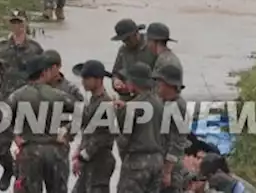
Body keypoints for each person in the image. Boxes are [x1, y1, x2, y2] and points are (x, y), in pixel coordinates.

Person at [0, 10, 44, 190]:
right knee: (1, 145)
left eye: (20, 22)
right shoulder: (2, 47)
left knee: (25, 146)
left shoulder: (35, 49)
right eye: (14, 22)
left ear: (25, 24)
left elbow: (44, 75)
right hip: (4, 103)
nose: (17, 26)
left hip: (28, 104)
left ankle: (19, 177)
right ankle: (8, 169)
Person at [8, 55, 76, 193]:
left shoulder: (17, 96)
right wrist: (67, 132)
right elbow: (82, 113)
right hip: (55, 151)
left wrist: (15, 136)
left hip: (30, 151)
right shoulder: (58, 95)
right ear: (44, 73)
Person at [116, 63, 165, 193]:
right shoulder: (159, 103)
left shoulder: (132, 107)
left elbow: (123, 142)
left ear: (134, 82)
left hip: (137, 164)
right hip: (157, 162)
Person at [71, 59, 117, 193]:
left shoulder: (106, 103)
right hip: (90, 160)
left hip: (100, 162)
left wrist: (82, 156)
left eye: (87, 78)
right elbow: (88, 130)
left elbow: (102, 137)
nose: (83, 82)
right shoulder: (93, 101)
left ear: (98, 80)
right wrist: (79, 149)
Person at [155, 63, 190, 192]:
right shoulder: (162, 102)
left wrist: (167, 171)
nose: (158, 85)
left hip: (171, 167)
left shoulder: (177, 105)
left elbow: (178, 141)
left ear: (170, 84)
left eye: (161, 82)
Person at [110, 18, 155, 98]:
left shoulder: (151, 47)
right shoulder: (123, 51)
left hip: (149, 96)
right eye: (123, 40)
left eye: (128, 39)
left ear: (136, 34)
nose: (126, 42)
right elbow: (116, 72)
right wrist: (116, 81)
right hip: (128, 96)